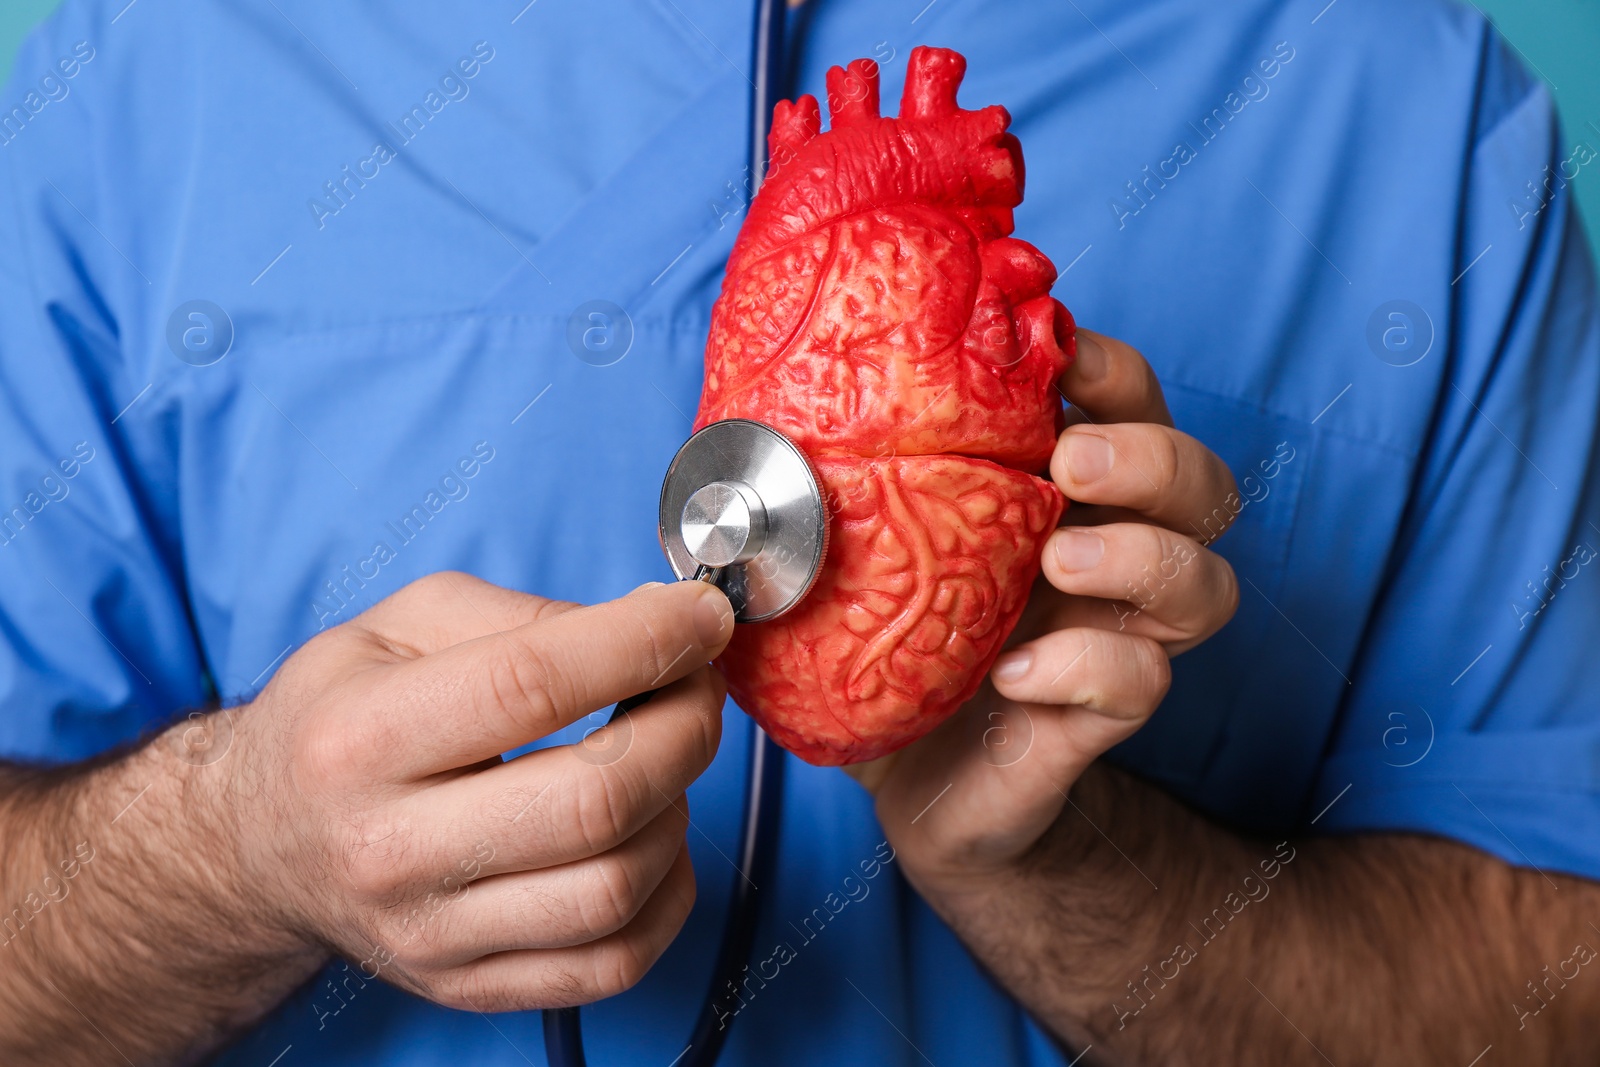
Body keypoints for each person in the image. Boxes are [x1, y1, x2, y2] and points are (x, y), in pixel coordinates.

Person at [0, 0, 1596, 1064]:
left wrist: (1088, 878)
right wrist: (232, 854)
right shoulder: (155, 64)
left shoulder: (1395, 91)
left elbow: (1558, 989)